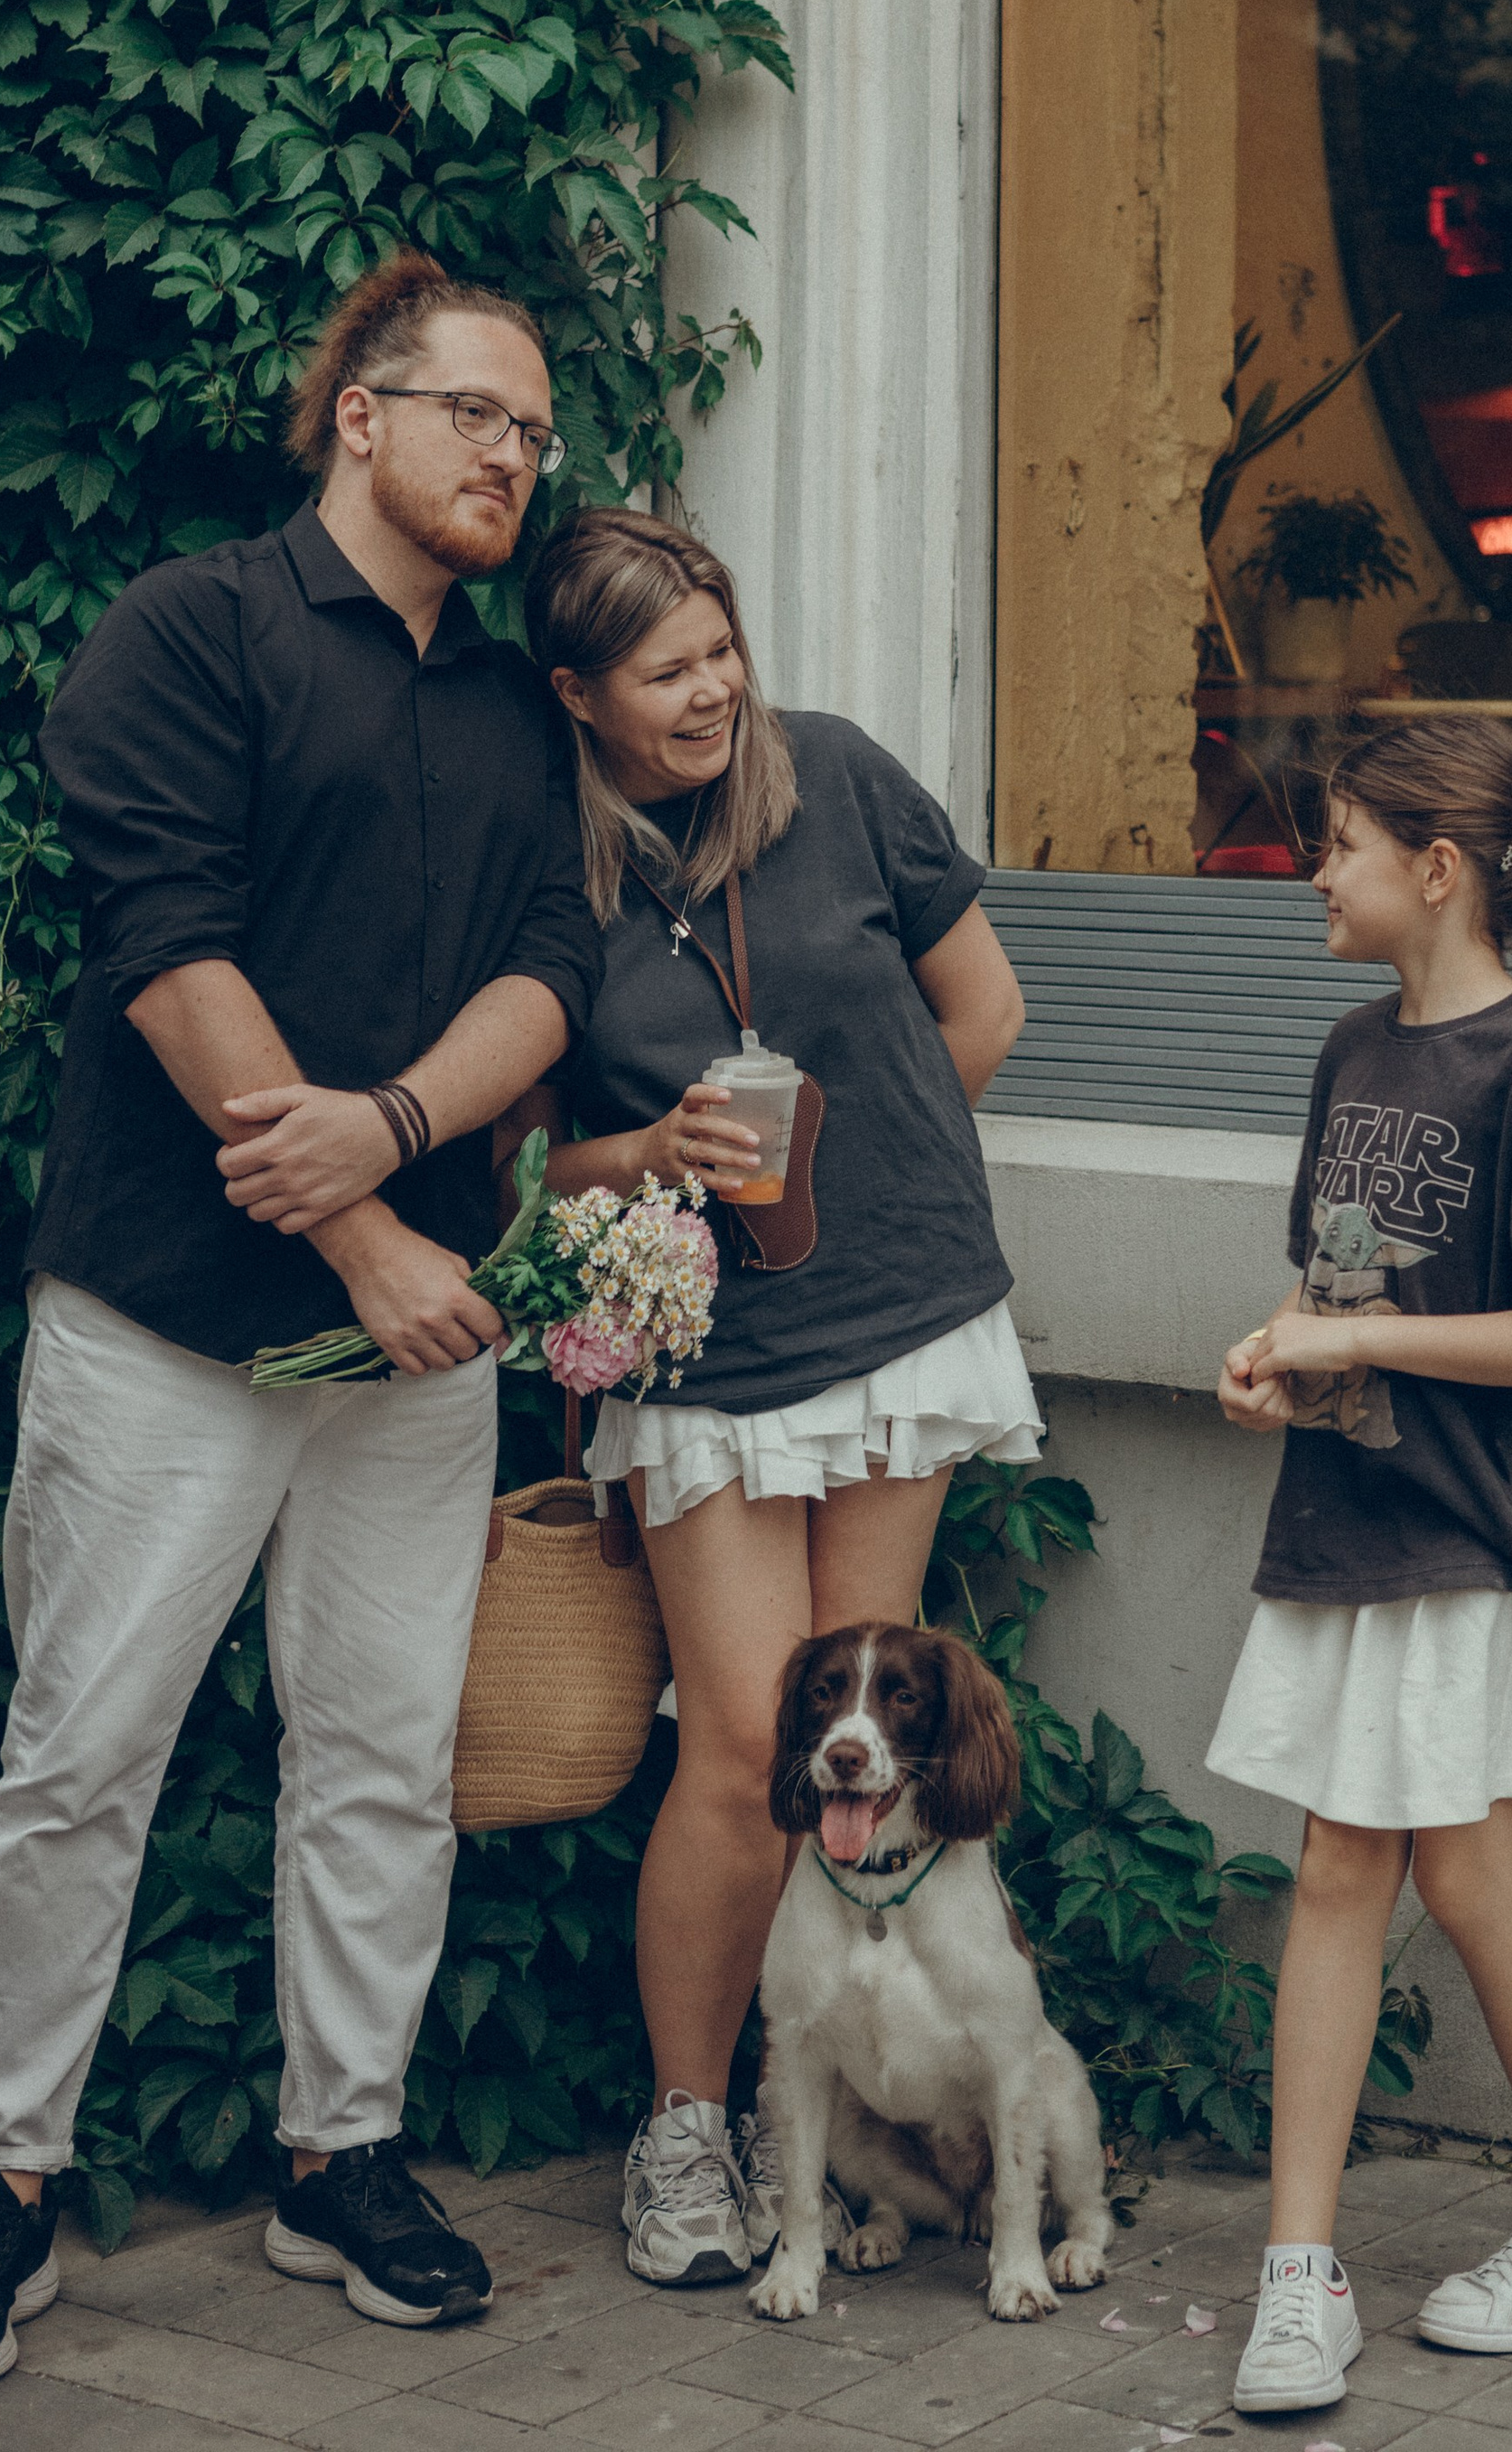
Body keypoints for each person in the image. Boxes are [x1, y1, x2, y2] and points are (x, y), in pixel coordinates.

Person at [0, 251, 604, 2398]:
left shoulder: (503, 702)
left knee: (381, 1762)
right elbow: (163, 939)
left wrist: (384, 1148)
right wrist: (368, 1236)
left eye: (536, 433)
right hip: (174, 1325)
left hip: (412, 1355)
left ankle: (339, 2154)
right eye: (481, 412)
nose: (512, 456)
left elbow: (551, 969)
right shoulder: (184, 632)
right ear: (358, 416)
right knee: (81, 1760)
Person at [511, 507, 1033, 2288]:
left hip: (890, 1326)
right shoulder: (545, 872)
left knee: (854, 1752)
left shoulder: (846, 783)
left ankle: (823, 2121)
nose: (714, 688)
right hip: (704, 1362)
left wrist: (868, 1172)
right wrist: (644, 1159)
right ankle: (685, 2127)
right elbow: (521, 1165)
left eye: (721, 646)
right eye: (667, 672)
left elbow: (983, 1011)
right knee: (740, 1753)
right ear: (575, 696)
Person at [1205, 712, 1512, 2420]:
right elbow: (1343, 1295)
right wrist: (1282, 1359)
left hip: (1483, 1541)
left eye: (1336, 845)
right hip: (1351, 1528)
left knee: (1456, 1880)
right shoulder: (1353, 1050)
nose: (1310, 873)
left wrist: (1359, 1335)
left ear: (1435, 870)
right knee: (1349, 1874)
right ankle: (1304, 2273)